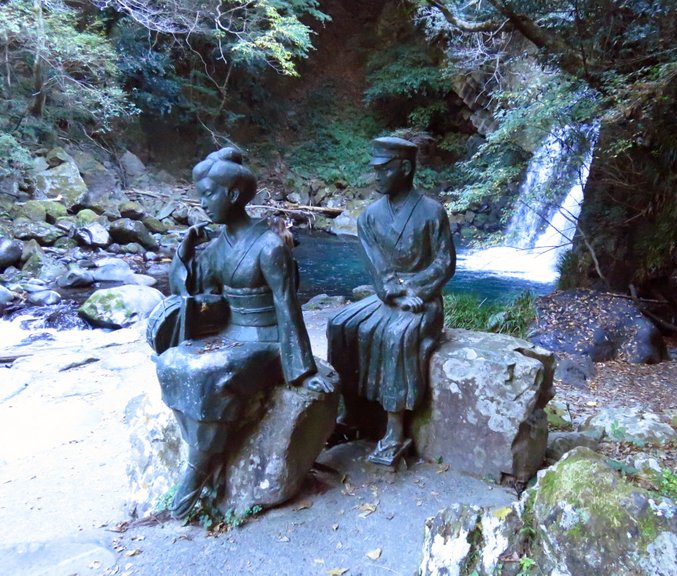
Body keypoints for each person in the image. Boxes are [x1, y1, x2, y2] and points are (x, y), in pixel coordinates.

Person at [149, 147, 332, 519]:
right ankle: (206, 458)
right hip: (229, 333)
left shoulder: (268, 245)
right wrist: (183, 255)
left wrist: (303, 370)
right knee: (170, 362)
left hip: (265, 340)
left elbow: (288, 307)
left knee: (205, 375)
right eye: (200, 194)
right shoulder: (217, 248)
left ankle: (194, 478)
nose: (202, 203)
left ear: (233, 195)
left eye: (209, 194)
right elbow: (190, 296)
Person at [327, 136, 456, 465]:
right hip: (388, 296)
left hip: (424, 299)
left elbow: (444, 264)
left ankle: (394, 429)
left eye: (384, 170)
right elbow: (376, 267)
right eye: (375, 170)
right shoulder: (368, 217)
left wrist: (414, 289)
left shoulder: (431, 213)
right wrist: (395, 291)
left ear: (405, 168)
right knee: (340, 324)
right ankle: (351, 412)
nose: (377, 177)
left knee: (394, 335)